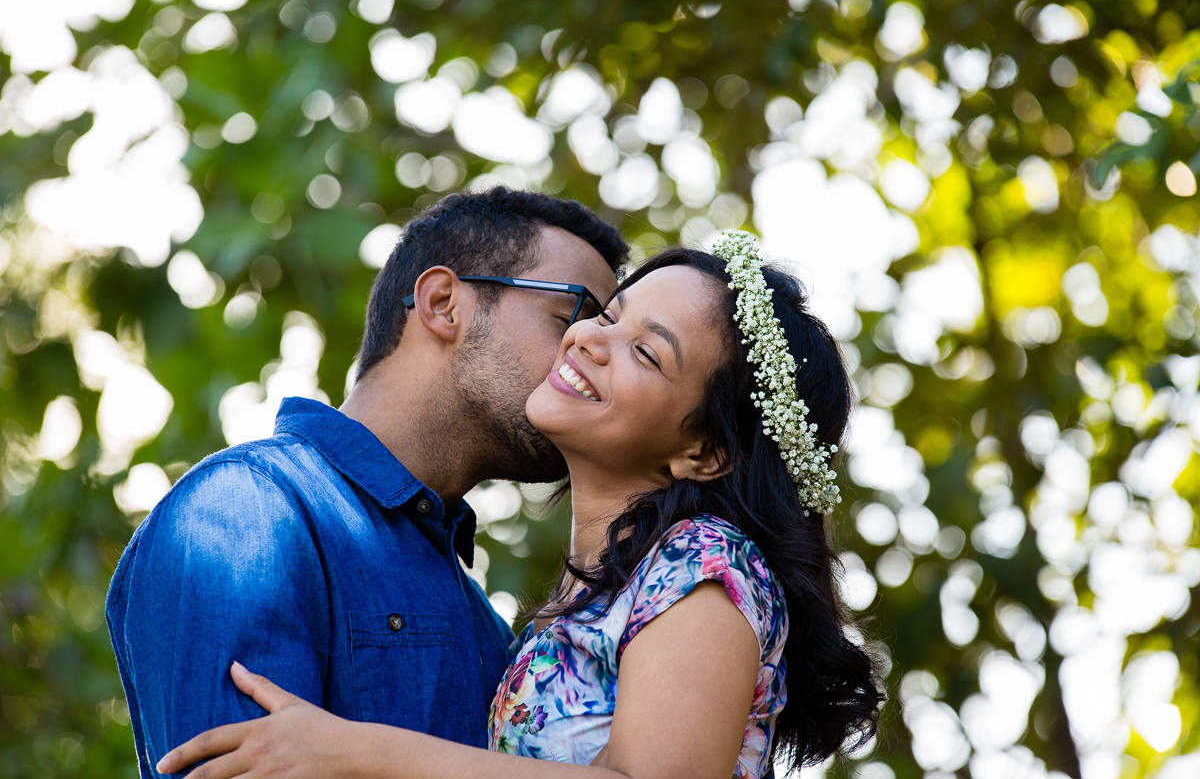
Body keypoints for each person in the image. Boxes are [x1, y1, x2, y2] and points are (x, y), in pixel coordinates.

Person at [155, 233, 882, 779]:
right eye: (607, 315)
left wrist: (356, 752)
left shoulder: (703, 567)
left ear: (705, 452)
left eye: (647, 352)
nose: (590, 338)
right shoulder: (581, 604)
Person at [104, 186, 628, 778]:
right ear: (443, 303)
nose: (588, 353)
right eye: (573, 318)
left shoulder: (484, 623)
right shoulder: (245, 512)